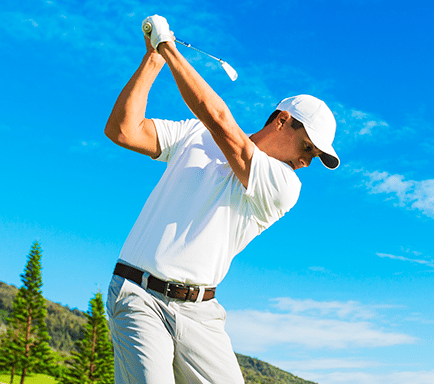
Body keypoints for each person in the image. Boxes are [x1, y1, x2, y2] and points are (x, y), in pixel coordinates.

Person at [104, 14, 340, 384]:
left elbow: (220, 122)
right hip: (139, 296)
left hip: (202, 314)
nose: (304, 161)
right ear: (281, 120)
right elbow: (123, 129)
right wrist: (154, 57)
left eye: (313, 157)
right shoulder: (194, 134)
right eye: (307, 147)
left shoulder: (284, 186)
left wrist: (167, 45)